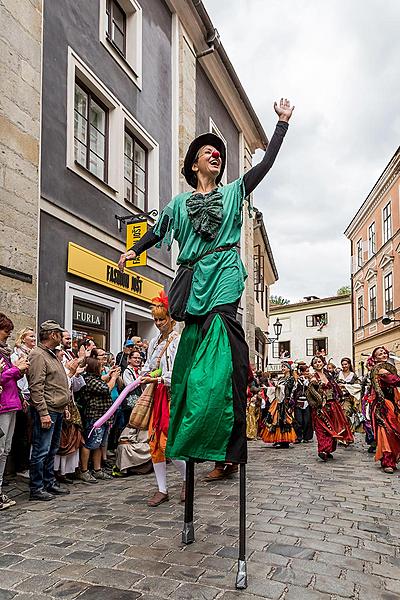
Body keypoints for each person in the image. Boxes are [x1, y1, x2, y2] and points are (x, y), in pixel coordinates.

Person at [118, 99, 293, 470]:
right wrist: (133, 250)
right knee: (194, 353)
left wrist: (281, 124)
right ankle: (193, 423)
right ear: (194, 163)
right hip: (194, 277)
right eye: (206, 152)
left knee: (223, 345)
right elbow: (156, 231)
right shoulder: (179, 203)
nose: (214, 154)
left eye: (218, 153)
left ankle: (227, 422)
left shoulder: (233, 193)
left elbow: (266, 164)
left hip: (225, 271)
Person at [133, 292, 184, 506]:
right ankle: (162, 489)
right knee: (154, 442)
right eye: (155, 319)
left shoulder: (179, 340)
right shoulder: (154, 342)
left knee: (169, 443)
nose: (158, 323)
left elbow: (181, 372)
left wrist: (161, 378)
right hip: (156, 395)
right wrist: (142, 378)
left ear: (170, 318)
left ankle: (186, 479)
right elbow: (149, 366)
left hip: (172, 395)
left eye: (161, 319)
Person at [28, 320, 71, 501]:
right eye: (60, 333)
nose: (62, 337)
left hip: (57, 409)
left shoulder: (51, 355)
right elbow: (36, 386)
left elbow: (59, 383)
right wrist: (43, 412)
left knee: (52, 449)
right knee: (41, 450)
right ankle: (37, 488)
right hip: (47, 410)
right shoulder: (38, 355)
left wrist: (65, 406)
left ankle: (48, 482)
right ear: (53, 335)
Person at [0, 313, 29, 510]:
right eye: (5, 331)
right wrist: (16, 369)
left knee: (5, 450)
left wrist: (19, 371)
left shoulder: (5, 353)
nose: (8, 335)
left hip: (11, 403)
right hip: (2, 405)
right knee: (0, 449)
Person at [76, 355, 120, 483]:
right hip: (94, 417)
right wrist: (114, 377)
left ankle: (97, 469)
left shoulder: (95, 378)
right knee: (90, 444)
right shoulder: (89, 380)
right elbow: (106, 388)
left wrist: (110, 374)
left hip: (104, 417)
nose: (102, 368)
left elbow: (102, 379)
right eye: (100, 366)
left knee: (100, 444)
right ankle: (83, 471)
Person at [307, 356, 353, 461]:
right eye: (315, 362)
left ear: (323, 362)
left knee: (332, 427)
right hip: (320, 407)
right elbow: (311, 390)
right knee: (321, 428)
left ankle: (328, 450)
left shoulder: (329, 374)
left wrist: (341, 396)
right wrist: (314, 383)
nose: (317, 363)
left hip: (332, 405)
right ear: (313, 365)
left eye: (319, 361)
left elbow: (335, 387)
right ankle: (322, 450)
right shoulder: (313, 376)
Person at [367, 346, 400, 474]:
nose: (383, 354)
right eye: (380, 354)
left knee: (394, 430)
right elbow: (395, 381)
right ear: (375, 358)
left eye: (384, 352)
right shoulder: (380, 370)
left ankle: (391, 459)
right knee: (386, 431)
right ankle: (387, 461)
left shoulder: (388, 368)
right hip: (383, 405)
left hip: (391, 403)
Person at [10, 327, 36, 478]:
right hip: (22, 397)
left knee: (29, 432)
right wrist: (22, 397)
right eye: (31, 336)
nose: (34, 339)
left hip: (31, 396)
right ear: (23, 338)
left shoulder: (32, 354)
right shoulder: (16, 355)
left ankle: (27, 463)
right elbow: (17, 379)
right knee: (22, 433)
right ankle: (21, 466)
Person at [261, 362, 296, 448]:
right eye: (282, 367)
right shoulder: (281, 378)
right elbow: (277, 388)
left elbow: (288, 388)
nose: (283, 368)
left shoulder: (291, 378)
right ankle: (278, 439)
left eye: (284, 367)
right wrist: (269, 388)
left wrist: (279, 387)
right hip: (277, 401)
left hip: (285, 401)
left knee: (283, 419)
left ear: (289, 369)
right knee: (275, 419)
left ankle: (285, 441)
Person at [337, 357, 363, 435]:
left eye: (346, 364)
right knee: (338, 416)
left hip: (348, 398)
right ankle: (342, 434)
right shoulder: (338, 374)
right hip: (338, 398)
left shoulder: (353, 375)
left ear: (349, 364)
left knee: (345, 414)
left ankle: (348, 433)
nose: (344, 366)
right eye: (343, 364)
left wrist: (346, 386)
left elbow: (357, 386)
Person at [291, 363, 313, 443]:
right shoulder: (297, 380)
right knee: (298, 420)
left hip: (307, 402)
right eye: (306, 371)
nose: (307, 373)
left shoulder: (310, 380)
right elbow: (293, 391)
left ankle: (306, 437)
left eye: (308, 371)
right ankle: (298, 437)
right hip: (298, 402)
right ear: (302, 372)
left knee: (307, 420)